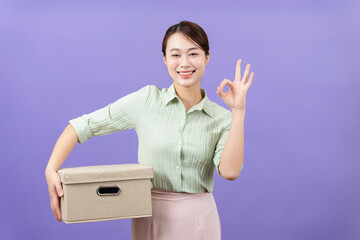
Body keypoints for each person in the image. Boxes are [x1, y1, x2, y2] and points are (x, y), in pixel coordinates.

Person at [45, 20, 254, 240]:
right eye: (175, 55)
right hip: (149, 216)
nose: (184, 63)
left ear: (206, 57)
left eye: (193, 54)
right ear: (165, 59)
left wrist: (238, 110)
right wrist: (51, 169)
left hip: (200, 221)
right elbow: (82, 125)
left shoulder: (221, 117)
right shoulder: (146, 101)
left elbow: (230, 172)